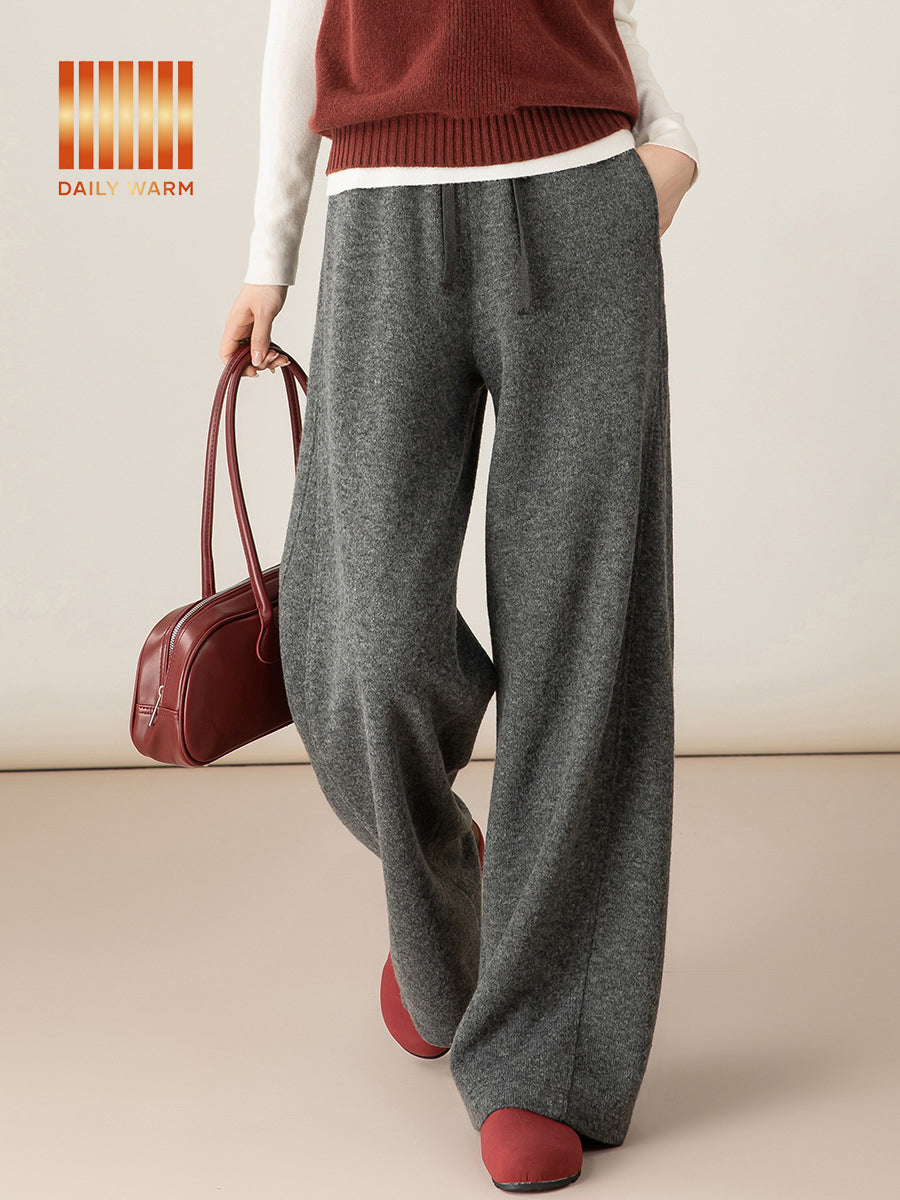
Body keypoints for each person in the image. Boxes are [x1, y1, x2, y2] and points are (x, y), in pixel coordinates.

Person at [220, 2, 699, 1191]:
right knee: (364, 638)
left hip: (583, 200)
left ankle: (545, 1065)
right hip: (384, 217)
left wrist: (669, 148)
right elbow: (298, 18)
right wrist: (269, 257)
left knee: (585, 636)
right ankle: (445, 898)